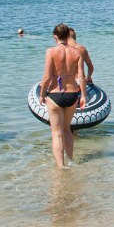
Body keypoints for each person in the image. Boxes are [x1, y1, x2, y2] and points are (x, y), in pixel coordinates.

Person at [40, 24, 87, 168]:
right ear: (68, 36)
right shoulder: (77, 52)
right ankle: (71, 161)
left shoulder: (51, 52)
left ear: (55, 37)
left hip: (55, 95)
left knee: (57, 133)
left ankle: (61, 167)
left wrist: (42, 94)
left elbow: (47, 77)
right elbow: (81, 76)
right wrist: (83, 96)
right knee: (67, 129)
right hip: (72, 95)